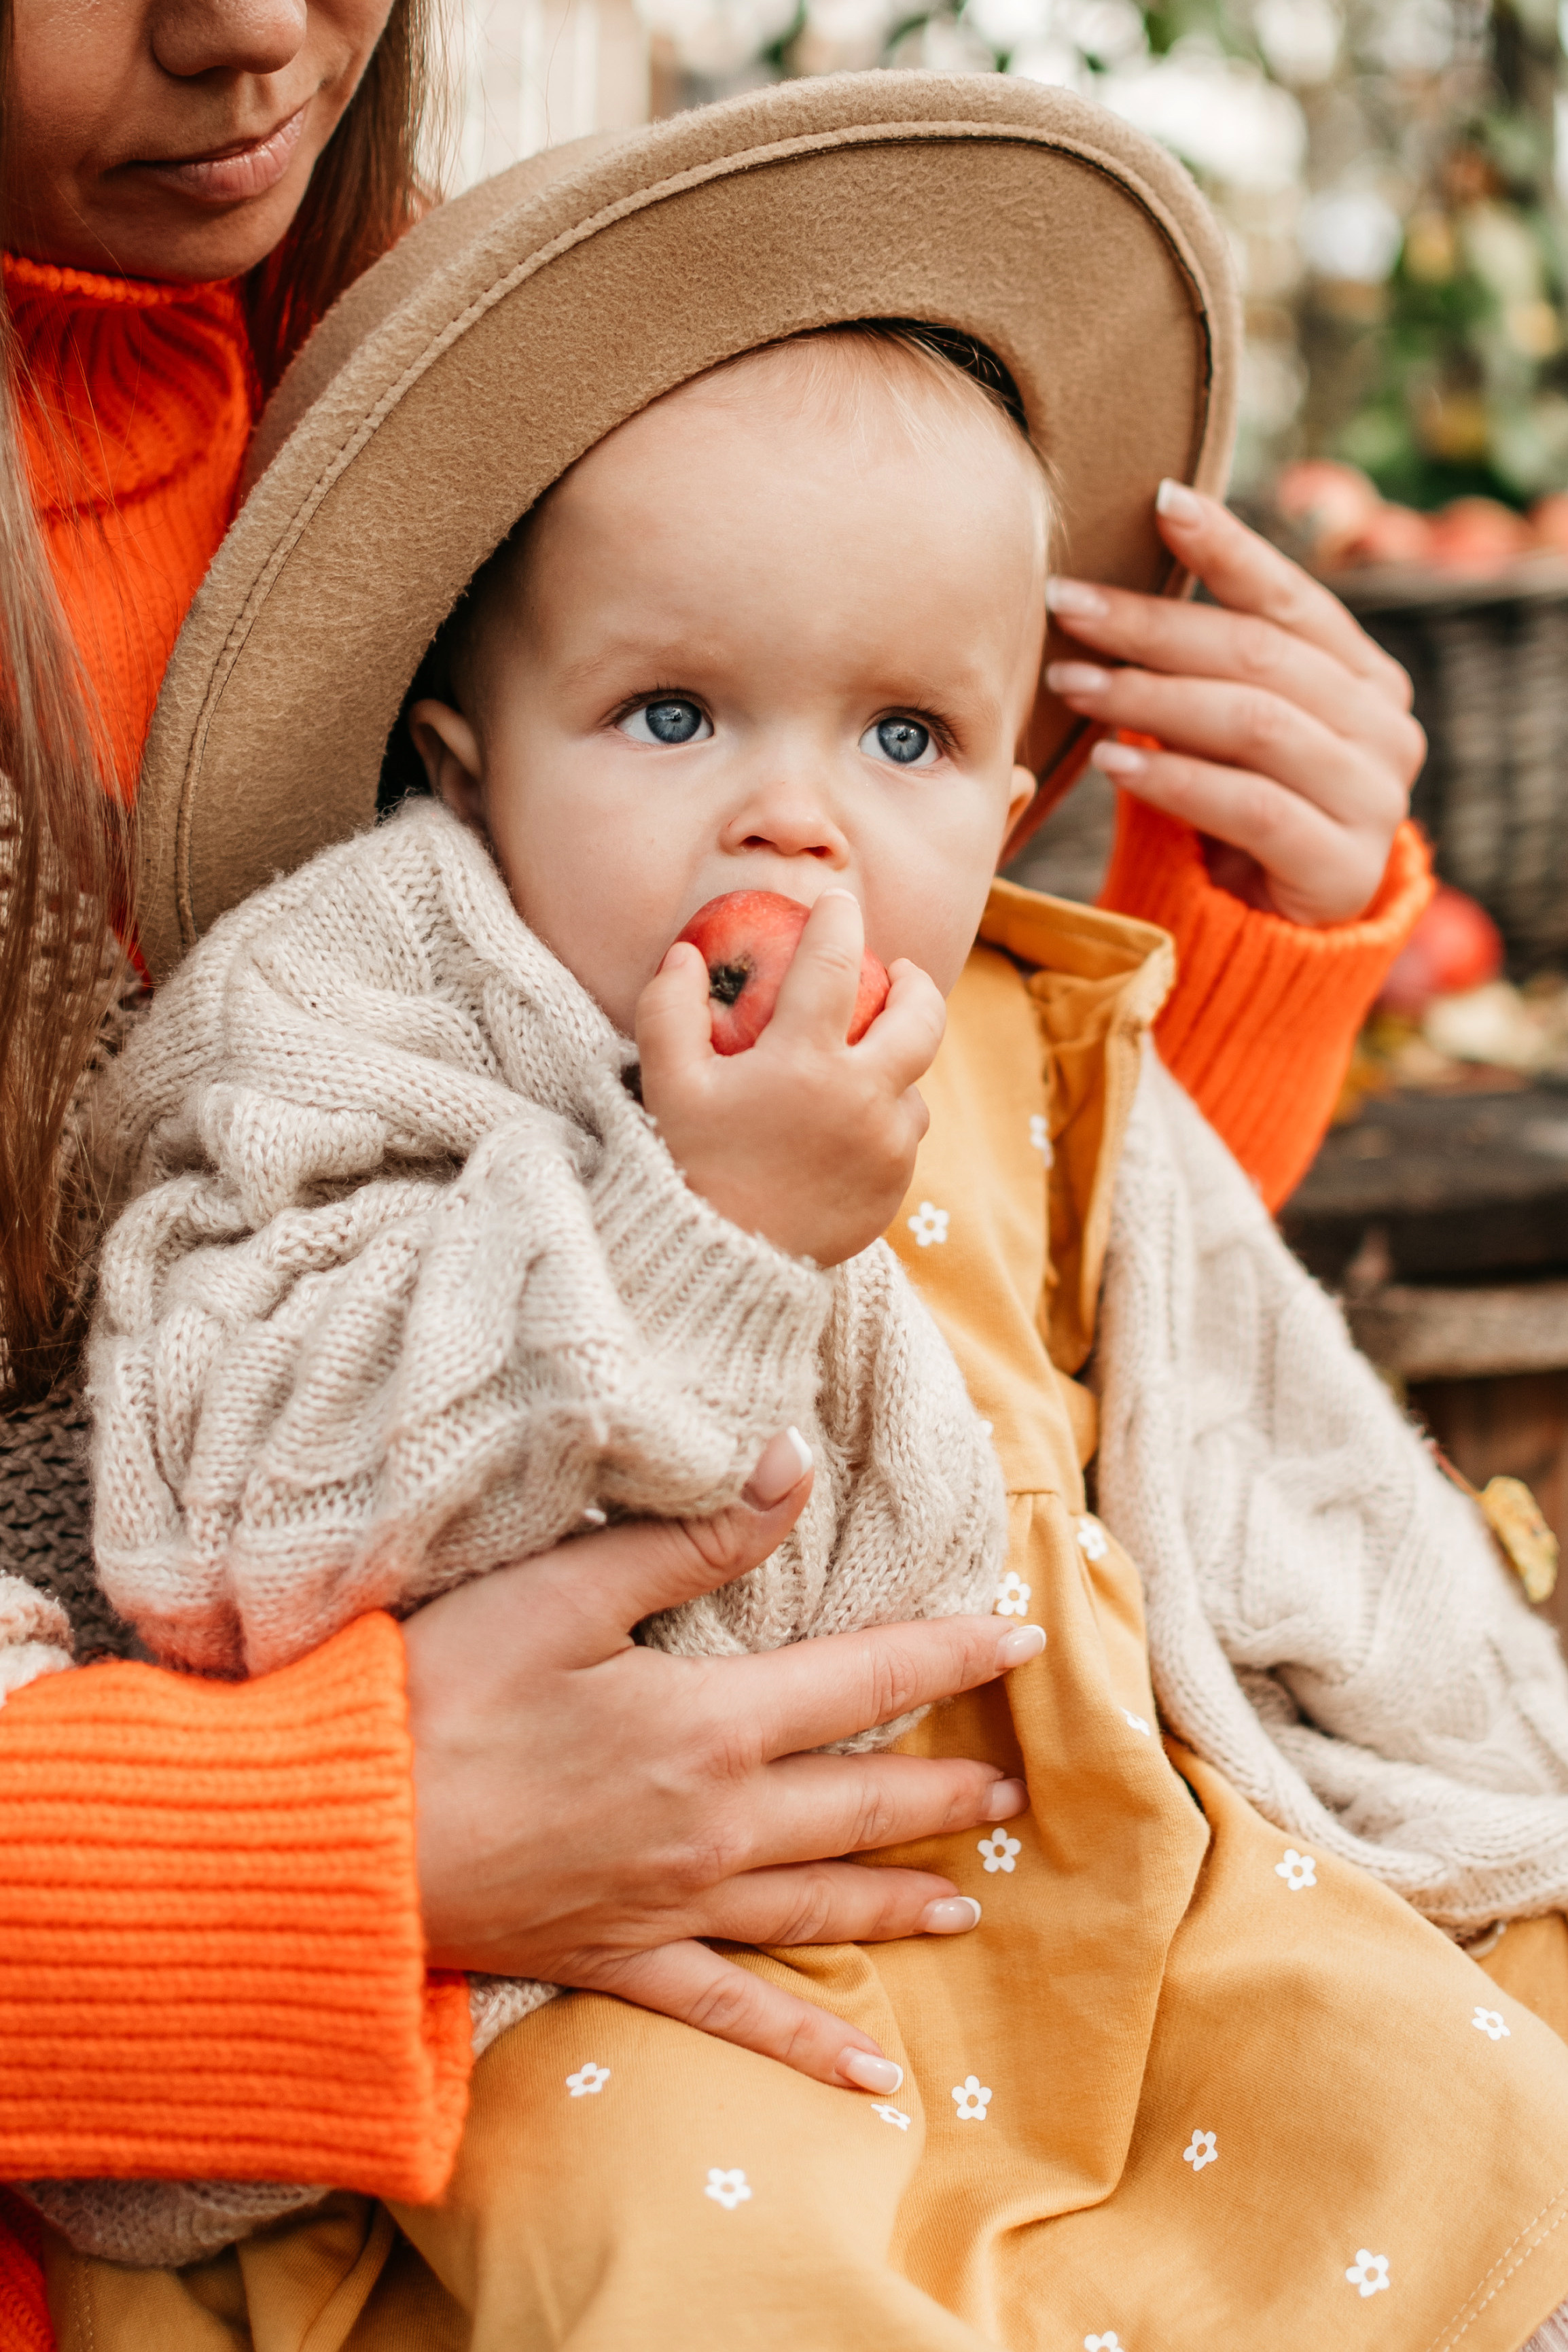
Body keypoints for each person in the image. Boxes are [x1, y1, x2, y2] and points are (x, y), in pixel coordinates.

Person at [38, 77, 1568, 2352]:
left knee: (1439, 2118)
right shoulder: (382, 1017)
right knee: (708, 2257)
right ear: (461, 757)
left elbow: (1117, 1389)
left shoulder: (945, 1006)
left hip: (1068, 1872)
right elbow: (214, 1488)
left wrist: (1247, 928)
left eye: (907, 742)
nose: (800, 827)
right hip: (618, 1983)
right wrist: (687, 1233)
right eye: (669, 719)